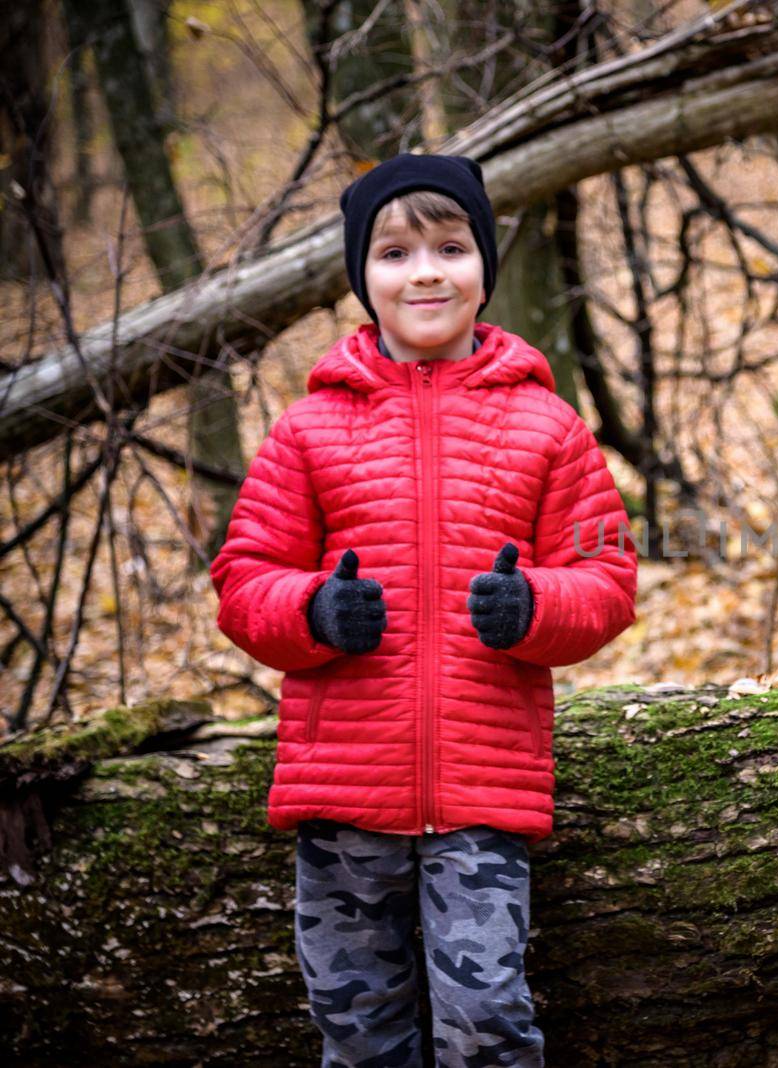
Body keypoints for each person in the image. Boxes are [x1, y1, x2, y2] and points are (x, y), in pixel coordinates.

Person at [210, 153, 637, 1068]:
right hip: (342, 799)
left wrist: (531, 607)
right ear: (362, 277)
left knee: (487, 1017)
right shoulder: (309, 430)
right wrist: (318, 613)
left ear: (484, 261)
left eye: (450, 246)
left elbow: (605, 580)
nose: (427, 271)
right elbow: (245, 581)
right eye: (395, 253)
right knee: (357, 1027)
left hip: (484, 797)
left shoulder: (545, 425)